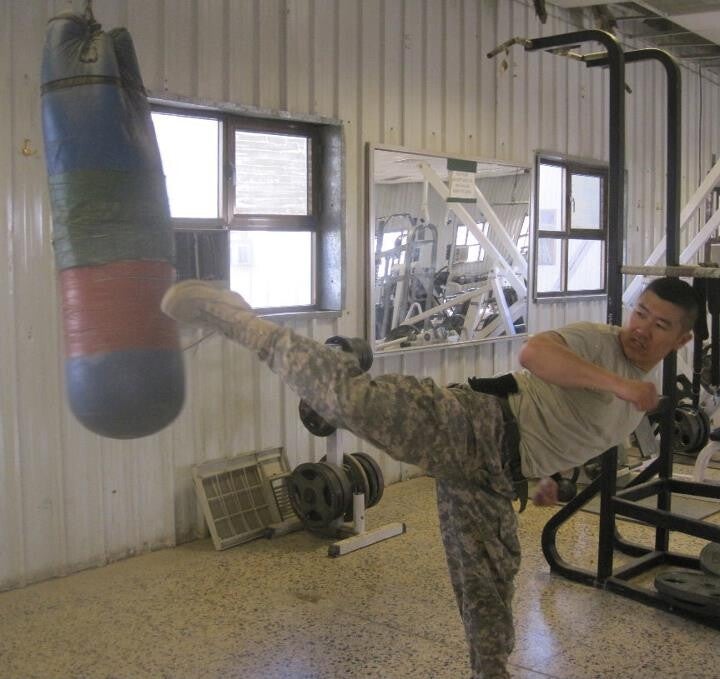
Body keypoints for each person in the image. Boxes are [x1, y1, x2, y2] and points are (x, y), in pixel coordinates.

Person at [161, 276, 697, 679]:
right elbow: (534, 354)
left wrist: (540, 476)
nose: (641, 329)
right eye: (640, 312)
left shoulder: (637, 398)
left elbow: (563, 418)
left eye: (660, 325)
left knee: (490, 587)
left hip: (498, 478)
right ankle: (234, 317)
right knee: (348, 400)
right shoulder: (600, 343)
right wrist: (619, 385)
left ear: (681, 339)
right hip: (476, 424)